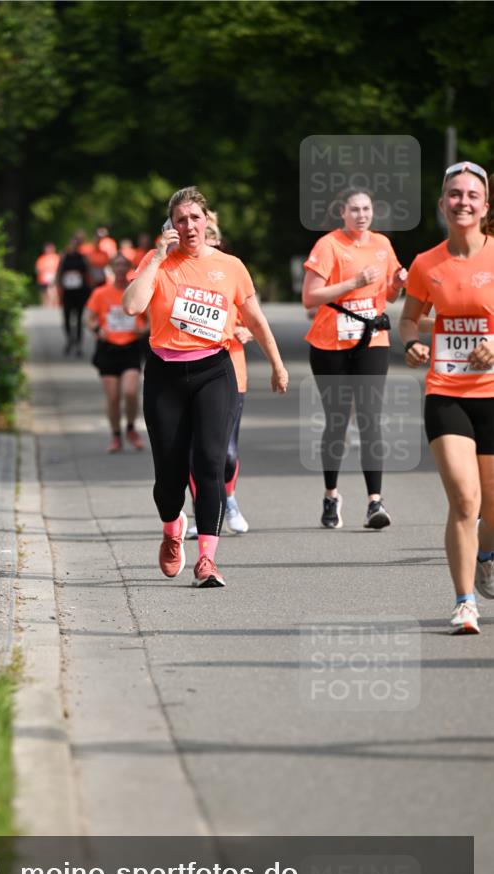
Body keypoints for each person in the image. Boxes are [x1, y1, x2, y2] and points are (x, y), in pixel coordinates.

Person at [122, 186, 288, 588]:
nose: (189, 226)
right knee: (169, 474)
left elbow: (256, 317)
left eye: (196, 218)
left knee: (210, 464)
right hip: (165, 374)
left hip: (215, 371)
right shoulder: (157, 262)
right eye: (181, 219)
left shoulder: (231, 266)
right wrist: (159, 256)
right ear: (171, 226)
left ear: (207, 220)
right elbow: (131, 306)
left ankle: (208, 560)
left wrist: (277, 365)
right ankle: (171, 529)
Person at [400, 161, 494, 635]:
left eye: (471, 195)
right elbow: (409, 319)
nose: (463, 202)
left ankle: (487, 553)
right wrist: (412, 342)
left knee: (492, 508)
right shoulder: (425, 264)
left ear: (485, 204)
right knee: (464, 500)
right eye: (454, 195)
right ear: (442, 204)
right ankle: (464, 603)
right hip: (446, 392)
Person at [302, 188, 408, 529]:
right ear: (343, 214)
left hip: (372, 339)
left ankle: (374, 502)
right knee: (337, 420)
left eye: (367, 209)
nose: (362, 215)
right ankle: (331, 495)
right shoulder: (329, 245)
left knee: (369, 418)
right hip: (330, 341)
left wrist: (398, 284)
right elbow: (309, 297)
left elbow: (388, 295)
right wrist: (354, 281)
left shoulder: (381, 245)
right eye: (355, 209)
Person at [187, 212, 252, 537]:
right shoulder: (182, 275)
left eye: (213, 238)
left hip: (230, 374)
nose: (207, 242)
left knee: (226, 453)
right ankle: (202, 512)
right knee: (197, 451)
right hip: (190, 372)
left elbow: (252, 320)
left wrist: (244, 332)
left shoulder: (230, 272)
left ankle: (229, 497)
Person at [85, 253, 147, 453]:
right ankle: (115, 435)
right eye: (116, 265)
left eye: (123, 265)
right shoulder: (100, 293)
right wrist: (97, 330)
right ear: (111, 268)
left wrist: (143, 330)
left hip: (131, 347)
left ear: (128, 268)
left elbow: (151, 320)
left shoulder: (136, 291)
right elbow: (90, 318)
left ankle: (130, 428)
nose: (120, 269)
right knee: (112, 398)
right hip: (108, 349)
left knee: (130, 392)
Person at [56, 238, 90, 356]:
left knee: (80, 319)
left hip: (79, 292)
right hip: (67, 292)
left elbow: (87, 272)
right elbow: (59, 273)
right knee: (66, 318)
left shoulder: (82, 257)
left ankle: (79, 344)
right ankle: (70, 340)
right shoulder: (64, 257)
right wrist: (59, 287)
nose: (73, 247)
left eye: (76, 245)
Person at [35, 242, 60, 306]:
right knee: (44, 292)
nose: (49, 250)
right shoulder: (41, 258)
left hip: (53, 277)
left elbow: (59, 268)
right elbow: (38, 269)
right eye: (47, 248)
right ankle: (46, 304)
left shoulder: (57, 257)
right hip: (43, 279)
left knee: (53, 290)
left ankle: (53, 303)